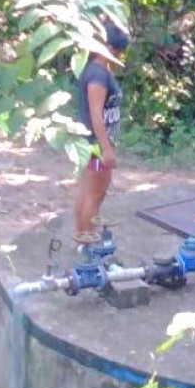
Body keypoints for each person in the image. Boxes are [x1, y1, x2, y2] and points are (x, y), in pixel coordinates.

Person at [73, 19, 129, 235]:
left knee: (87, 192)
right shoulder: (98, 75)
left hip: (90, 144)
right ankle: (87, 244)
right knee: (95, 196)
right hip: (96, 148)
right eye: (119, 51)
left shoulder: (96, 71)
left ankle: (80, 241)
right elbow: (96, 114)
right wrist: (106, 150)